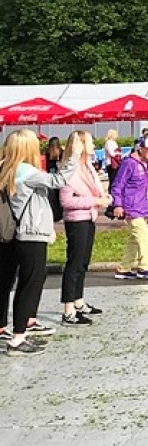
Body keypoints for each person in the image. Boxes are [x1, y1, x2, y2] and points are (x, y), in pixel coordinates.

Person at [0, 129, 73, 355]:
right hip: (30, 234)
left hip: (9, 233)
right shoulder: (27, 171)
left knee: (5, 282)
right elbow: (59, 180)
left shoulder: (5, 167)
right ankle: (19, 337)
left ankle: (4, 327)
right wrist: (73, 157)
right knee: (29, 283)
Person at [59, 130, 111, 326]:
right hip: (77, 219)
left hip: (90, 216)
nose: (94, 145)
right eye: (90, 141)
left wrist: (104, 198)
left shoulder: (87, 166)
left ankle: (79, 301)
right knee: (74, 263)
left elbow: (96, 188)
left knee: (83, 262)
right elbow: (66, 200)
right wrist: (96, 200)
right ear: (80, 145)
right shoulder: (70, 170)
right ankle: (68, 309)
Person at [111, 136, 148, 280]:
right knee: (143, 235)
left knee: (134, 238)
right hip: (131, 206)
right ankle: (144, 266)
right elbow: (117, 185)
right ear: (140, 149)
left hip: (142, 205)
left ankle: (124, 268)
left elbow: (147, 182)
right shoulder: (129, 164)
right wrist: (118, 204)